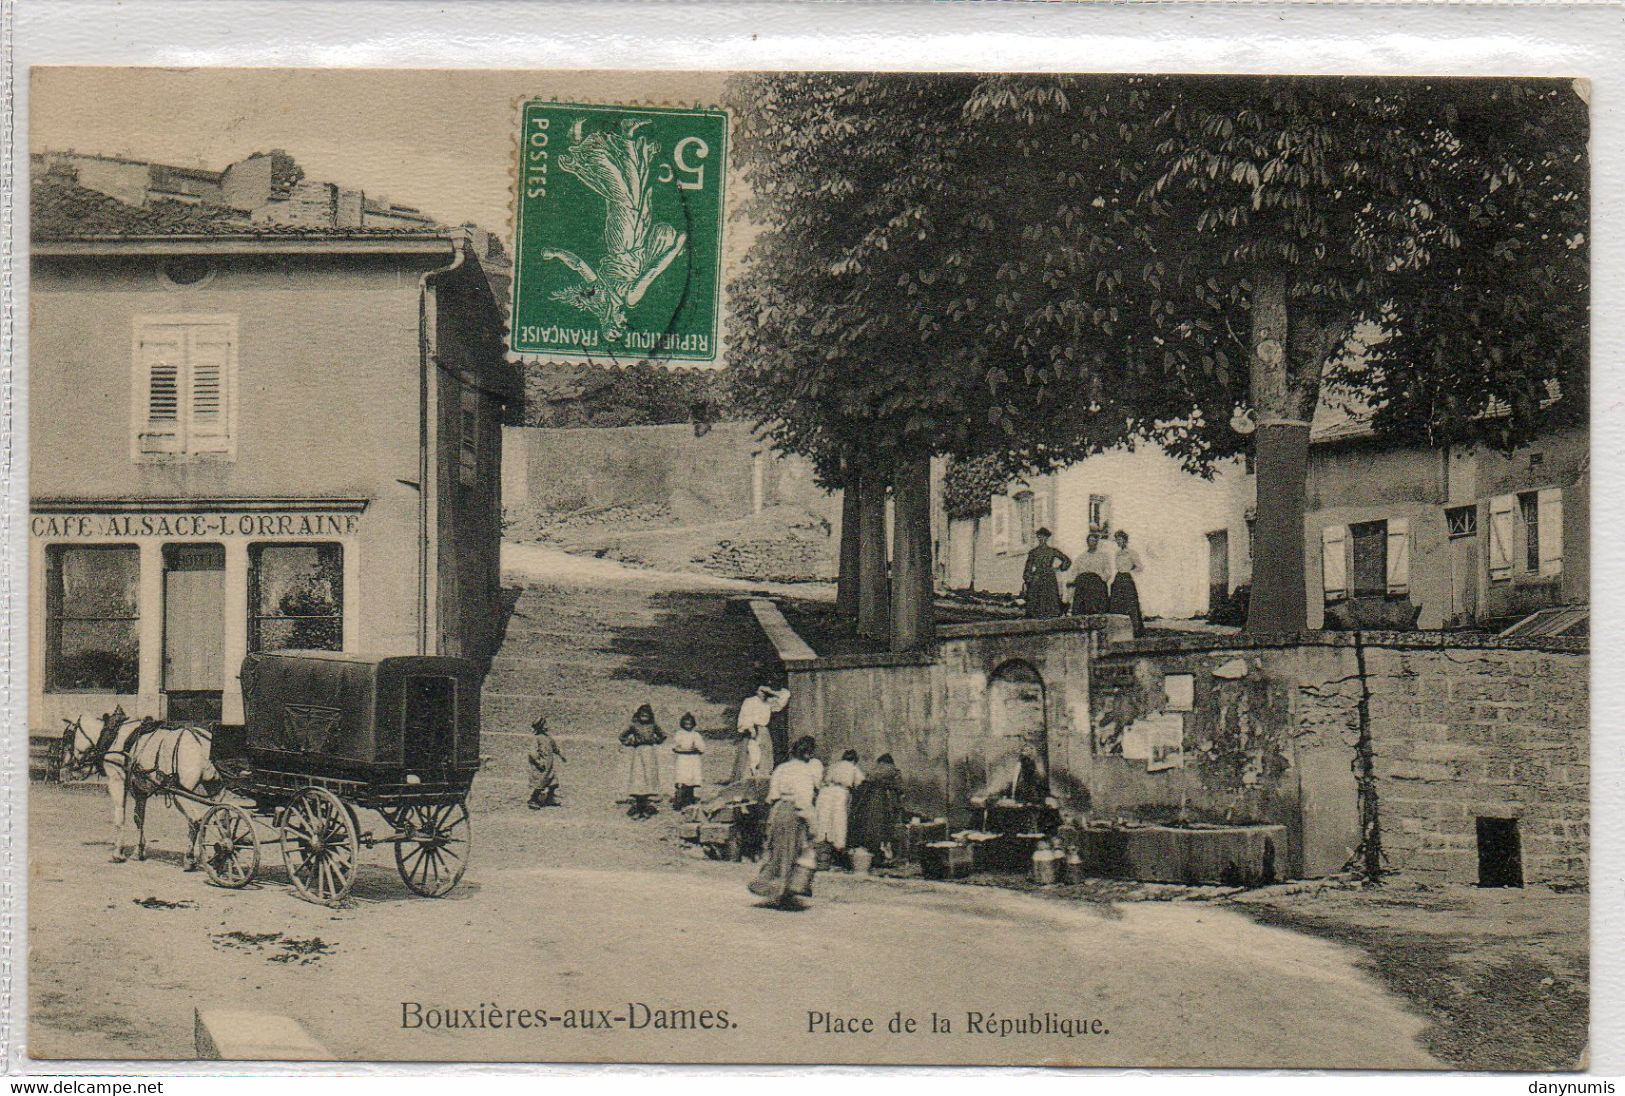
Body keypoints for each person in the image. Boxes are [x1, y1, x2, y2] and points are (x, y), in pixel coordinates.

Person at [749, 735, 822, 906]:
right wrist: (811, 822)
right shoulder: (807, 771)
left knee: (776, 850)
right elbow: (804, 798)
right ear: (807, 754)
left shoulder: (782, 768)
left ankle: (774, 888)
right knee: (794, 851)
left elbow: (772, 795)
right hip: (795, 812)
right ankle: (785, 891)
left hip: (779, 810)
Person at [848, 752, 903, 864]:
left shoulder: (873, 772)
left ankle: (871, 856)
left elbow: (862, 785)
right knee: (885, 830)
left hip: (871, 803)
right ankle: (883, 856)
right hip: (886, 803)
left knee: (871, 828)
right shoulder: (894, 772)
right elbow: (899, 789)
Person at [731, 684, 791, 782]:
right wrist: (750, 729)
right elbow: (744, 716)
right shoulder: (750, 701)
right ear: (756, 691)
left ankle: (762, 780)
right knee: (750, 756)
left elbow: (785, 695)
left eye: (764, 692)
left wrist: (771, 692)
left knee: (764, 756)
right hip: (751, 731)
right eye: (760, 691)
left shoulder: (769, 703)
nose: (762, 694)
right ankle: (747, 780)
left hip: (763, 731)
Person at [619, 703, 667, 820]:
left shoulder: (653, 725)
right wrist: (631, 742)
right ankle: (638, 809)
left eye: (647, 714)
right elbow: (622, 736)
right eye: (642, 714)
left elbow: (663, 735)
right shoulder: (634, 725)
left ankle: (645, 809)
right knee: (638, 779)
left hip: (650, 753)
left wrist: (656, 740)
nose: (644, 716)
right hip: (639, 753)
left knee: (648, 779)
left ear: (650, 716)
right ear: (638, 714)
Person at [815, 749, 865, 860]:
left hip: (825, 792)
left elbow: (823, 779)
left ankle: (821, 847)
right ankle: (838, 848)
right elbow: (861, 783)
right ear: (854, 760)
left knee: (824, 820)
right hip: (840, 792)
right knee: (839, 820)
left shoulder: (834, 766)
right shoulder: (853, 768)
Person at [1021, 528, 1071, 619]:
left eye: (1044, 536)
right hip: (1037, 577)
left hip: (1049, 577)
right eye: (1039, 536)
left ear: (1047, 538)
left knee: (1050, 599)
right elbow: (1027, 569)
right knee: (1035, 603)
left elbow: (1067, 560)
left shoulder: (1052, 551)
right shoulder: (1033, 552)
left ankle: (1051, 616)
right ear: (1037, 537)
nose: (1041, 538)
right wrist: (1028, 578)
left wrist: (1059, 568)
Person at [1109, 529, 1145, 637]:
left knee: (1130, 604)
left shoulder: (1132, 553)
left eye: (1120, 539)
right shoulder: (1117, 553)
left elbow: (1140, 567)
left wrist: (1130, 568)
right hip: (1118, 578)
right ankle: (1119, 629)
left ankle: (1135, 629)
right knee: (1117, 603)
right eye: (1117, 540)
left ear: (1125, 540)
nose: (1118, 542)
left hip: (1127, 579)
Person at [1068, 531, 1114, 616]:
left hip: (1096, 584)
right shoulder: (1081, 557)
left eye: (1093, 541)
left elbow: (1108, 571)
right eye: (1090, 541)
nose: (1091, 543)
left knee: (1095, 608)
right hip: (1083, 584)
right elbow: (1075, 570)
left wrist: (1101, 579)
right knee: (1081, 609)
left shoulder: (1103, 556)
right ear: (1087, 542)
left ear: (1097, 542)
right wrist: (1072, 580)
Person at [526, 715, 565, 809]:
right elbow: (532, 752)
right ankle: (533, 800)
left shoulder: (548, 738)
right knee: (541, 783)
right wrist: (538, 761)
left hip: (549, 766)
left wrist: (560, 755)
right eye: (544, 724)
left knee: (553, 782)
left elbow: (554, 747)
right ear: (541, 726)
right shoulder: (537, 738)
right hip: (542, 766)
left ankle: (550, 798)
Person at [671, 712, 706, 809]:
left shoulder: (696, 735)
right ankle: (680, 801)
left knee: (692, 780)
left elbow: (702, 748)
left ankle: (690, 799)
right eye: (686, 724)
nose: (688, 726)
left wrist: (696, 747)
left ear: (693, 724)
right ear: (682, 724)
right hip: (683, 759)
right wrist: (683, 749)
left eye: (690, 724)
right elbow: (675, 747)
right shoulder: (680, 734)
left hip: (693, 759)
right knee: (682, 779)